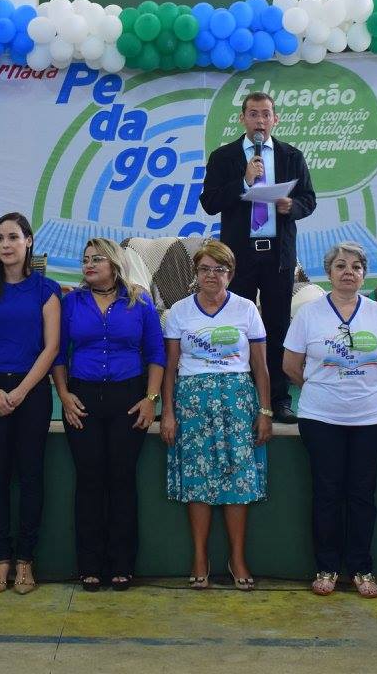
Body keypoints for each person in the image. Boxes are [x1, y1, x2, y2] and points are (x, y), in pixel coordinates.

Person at [282, 242, 377, 598]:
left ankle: (362, 569)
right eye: (340, 266)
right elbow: (291, 365)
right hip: (320, 418)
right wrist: (321, 388)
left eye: (356, 266)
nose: (349, 272)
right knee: (327, 494)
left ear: (364, 274)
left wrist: (363, 386)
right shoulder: (309, 314)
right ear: (329, 273)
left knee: (362, 495)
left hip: (369, 418)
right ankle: (327, 567)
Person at [53, 238, 165, 592]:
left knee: (122, 479)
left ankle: (122, 564)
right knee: (89, 480)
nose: (88, 264)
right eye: (85, 259)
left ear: (115, 264)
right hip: (82, 398)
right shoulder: (71, 302)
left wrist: (151, 399)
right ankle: (88, 565)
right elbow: (58, 354)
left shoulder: (139, 301)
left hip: (128, 398)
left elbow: (156, 353)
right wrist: (64, 395)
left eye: (97, 259)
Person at [159, 240, 271, 591]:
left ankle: (237, 558)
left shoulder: (246, 309)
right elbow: (170, 368)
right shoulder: (179, 312)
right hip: (192, 403)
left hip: (237, 403)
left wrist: (265, 411)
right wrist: (167, 412)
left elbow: (261, 367)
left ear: (230, 274)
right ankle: (199, 557)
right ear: (195, 273)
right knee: (197, 480)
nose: (211, 275)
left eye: (219, 269)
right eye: (204, 269)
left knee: (238, 480)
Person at [200, 90, 316, 424]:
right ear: (242, 119)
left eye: (266, 114)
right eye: (253, 114)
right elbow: (210, 202)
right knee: (238, 325)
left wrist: (292, 206)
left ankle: (279, 399)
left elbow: (309, 199)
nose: (260, 121)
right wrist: (243, 181)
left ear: (275, 119)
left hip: (278, 255)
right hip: (239, 256)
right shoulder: (224, 157)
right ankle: (243, 395)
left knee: (278, 325)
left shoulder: (291, 156)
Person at [0, 213, 60, 595]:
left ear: (28, 241)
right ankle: (2, 558)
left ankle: (25, 560)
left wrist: (21, 392)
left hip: (32, 391)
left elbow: (51, 347)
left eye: (13, 237)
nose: (6, 245)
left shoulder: (46, 289)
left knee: (31, 477)